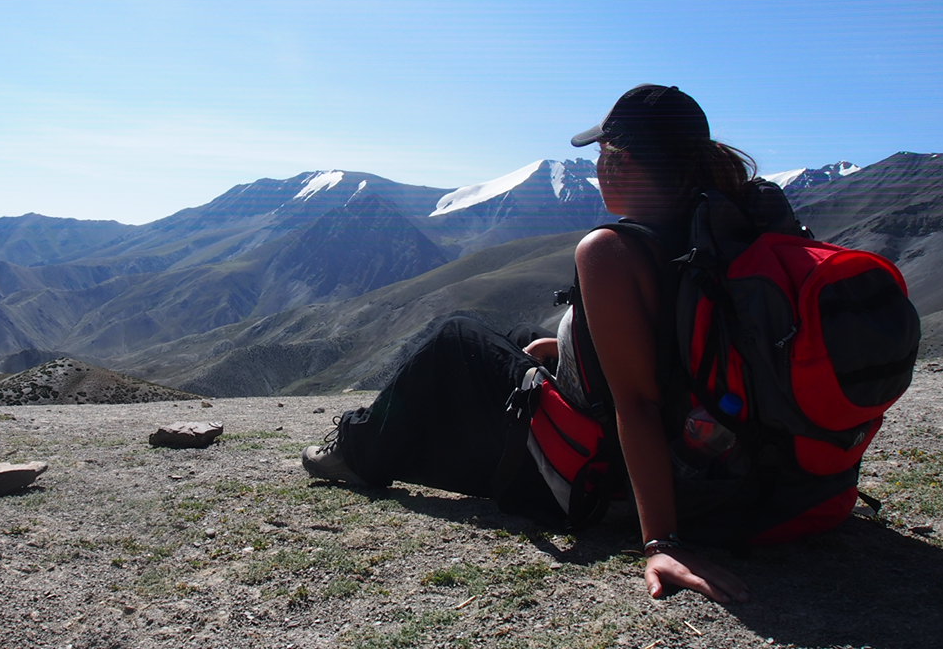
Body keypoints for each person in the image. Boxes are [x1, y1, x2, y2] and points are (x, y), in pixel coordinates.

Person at [302, 84, 753, 604]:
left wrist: (661, 540)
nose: (599, 168)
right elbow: (676, 348)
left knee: (456, 336)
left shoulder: (612, 251)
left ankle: (358, 452)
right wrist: (567, 351)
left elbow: (640, 402)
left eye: (605, 154)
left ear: (623, 161)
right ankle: (381, 434)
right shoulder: (719, 226)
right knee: (522, 339)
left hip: (609, 477)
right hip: (714, 455)